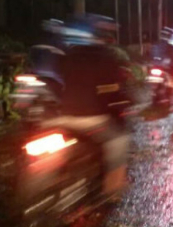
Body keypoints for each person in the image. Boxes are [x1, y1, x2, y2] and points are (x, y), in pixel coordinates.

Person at [42, 14, 132, 197]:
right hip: (93, 120)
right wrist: (125, 101)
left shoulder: (65, 57)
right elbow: (115, 90)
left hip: (64, 118)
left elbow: (56, 84)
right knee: (120, 141)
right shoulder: (105, 57)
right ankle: (113, 191)